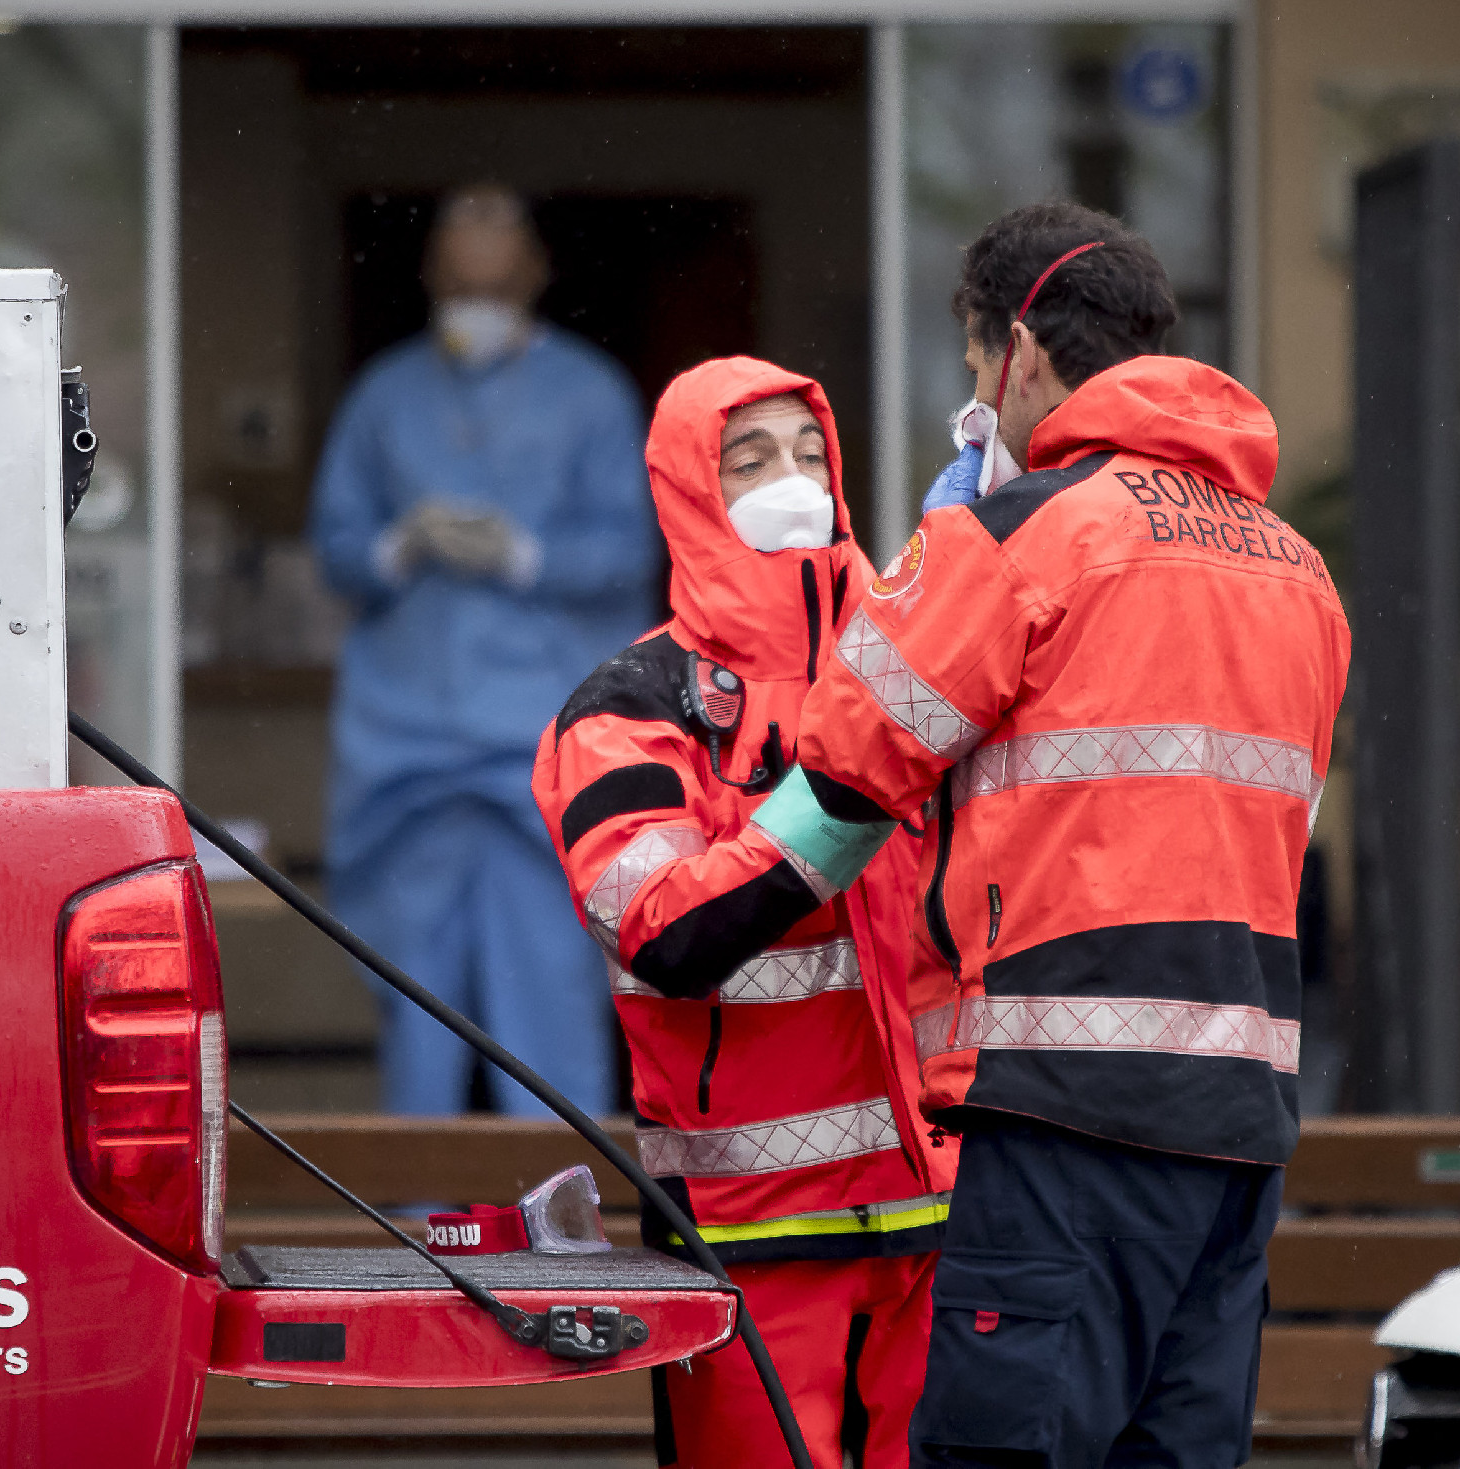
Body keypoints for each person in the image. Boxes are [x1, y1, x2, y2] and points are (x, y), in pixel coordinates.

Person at [731, 201, 1350, 1469]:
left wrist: (935, 546)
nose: (976, 397)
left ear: (1019, 349)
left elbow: (852, 745)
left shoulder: (1025, 532)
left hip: (1064, 1122)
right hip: (1237, 1128)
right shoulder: (1298, 570)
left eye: (971, 365)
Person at [533, 357, 954, 1468]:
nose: (793, 481)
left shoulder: (916, 659)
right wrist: (842, 794)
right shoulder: (629, 707)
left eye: (811, 454)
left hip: (946, 1210)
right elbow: (665, 932)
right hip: (746, 1223)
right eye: (750, 458)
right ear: (688, 490)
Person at [309, 183, 661, 1117]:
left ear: (537, 276)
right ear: (428, 277)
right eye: (461, 282)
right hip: (405, 752)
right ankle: (416, 1238)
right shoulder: (385, 397)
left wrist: (521, 554)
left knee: (548, 1005)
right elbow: (338, 546)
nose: (478, 303)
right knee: (415, 1005)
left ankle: (568, 1234)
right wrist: (399, 544)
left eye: (497, 284)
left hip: (540, 750)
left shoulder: (589, 395)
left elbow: (632, 550)